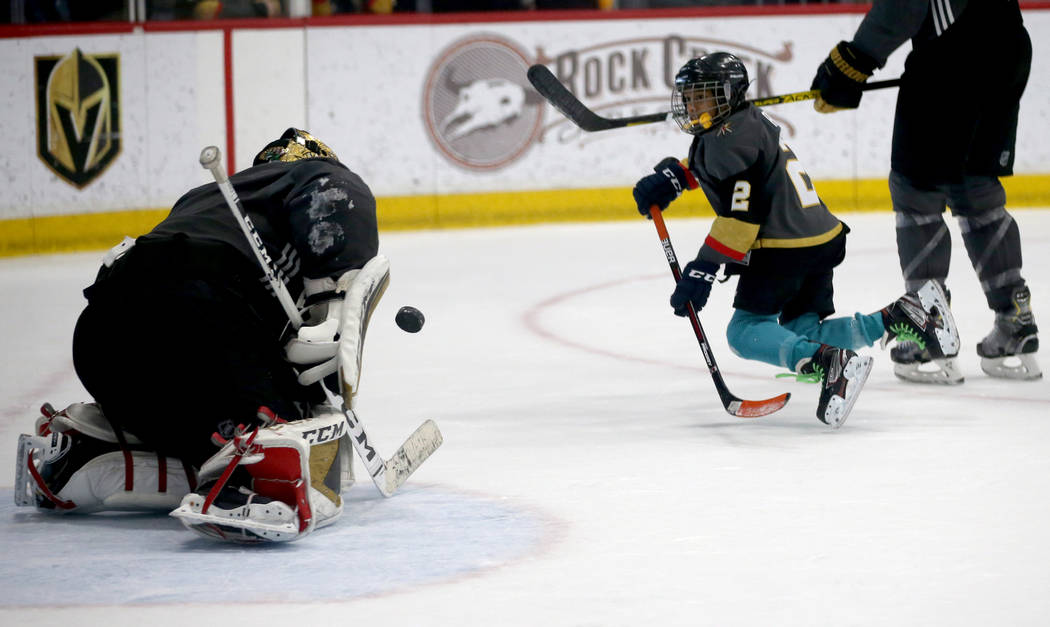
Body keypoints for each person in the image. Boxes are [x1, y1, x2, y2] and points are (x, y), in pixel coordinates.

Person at [14, 128, 387, 543]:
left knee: (204, 434)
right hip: (197, 314)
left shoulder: (204, 199)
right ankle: (251, 484)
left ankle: (87, 452)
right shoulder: (317, 174)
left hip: (102, 334)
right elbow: (334, 195)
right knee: (288, 431)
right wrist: (332, 310)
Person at [632, 53, 960, 427]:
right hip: (820, 238)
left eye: (701, 96)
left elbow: (742, 217)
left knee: (744, 333)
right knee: (803, 332)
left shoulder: (728, 139)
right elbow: (733, 166)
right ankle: (900, 316)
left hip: (784, 248)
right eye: (688, 97)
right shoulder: (744, 122)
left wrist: (704, 269)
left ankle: (830, 365)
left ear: (726, 95)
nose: (691, 105)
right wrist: (677, 177)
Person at [810, 0, 1039, 383]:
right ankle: (1016, 316)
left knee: (917, 187)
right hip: (1008, 49)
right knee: (975, 183)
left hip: (953, 58)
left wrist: (849, 64)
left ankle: (926, 326)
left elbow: (905, 4)